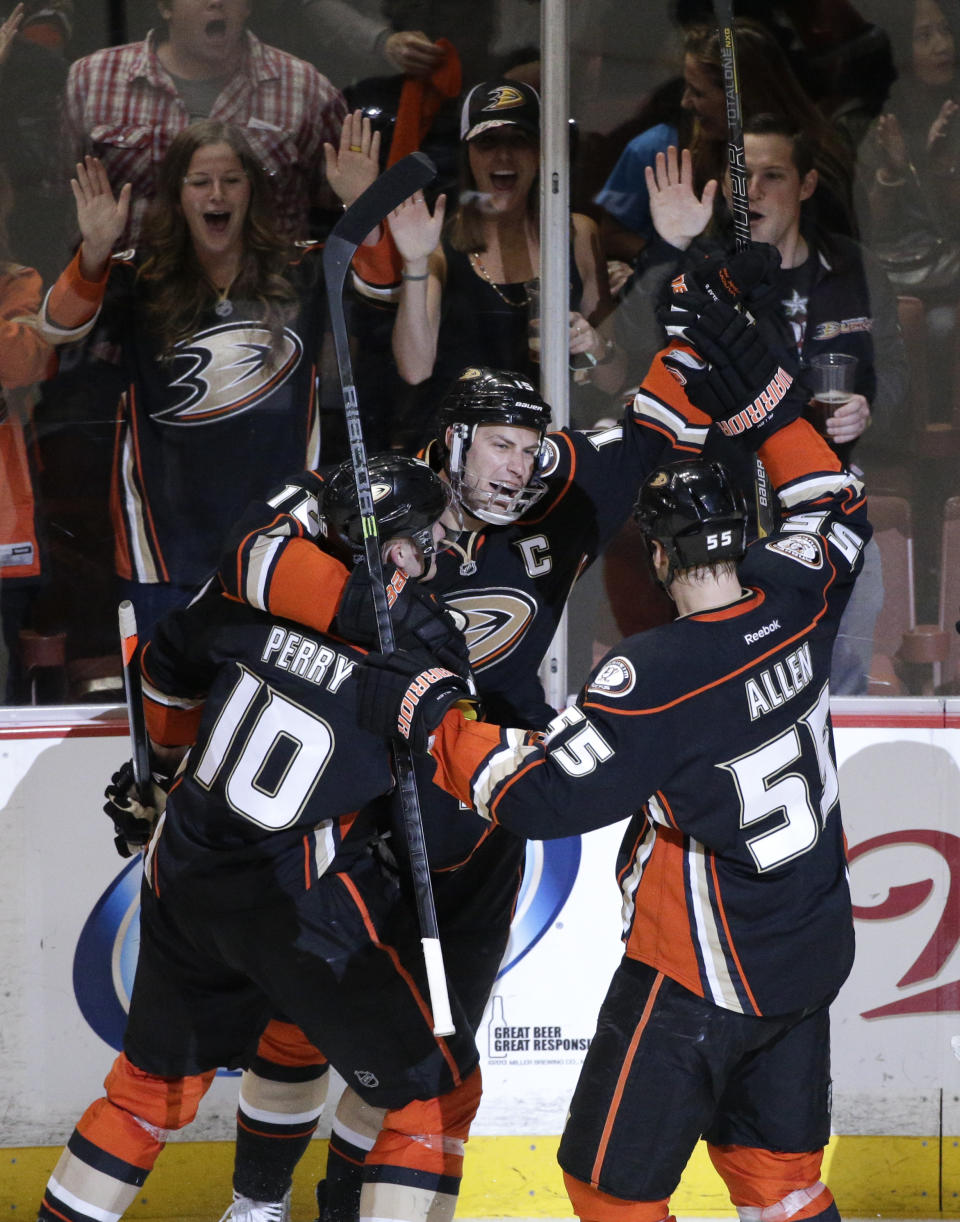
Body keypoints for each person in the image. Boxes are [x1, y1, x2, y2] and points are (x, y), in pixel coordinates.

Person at [354, 305, 870, 1222]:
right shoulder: (802, 594)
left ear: (660, 553)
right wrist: (770, 396)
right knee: (781, 1186)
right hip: (811, 950)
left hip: (702, 974)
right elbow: (833, 499)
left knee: (608, 1189)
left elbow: (536, 796)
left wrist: (433, 708)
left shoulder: (658, 673)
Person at [215, 348, 721, 1220]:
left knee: (428, 1044)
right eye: (499, 447)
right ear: (451, 443)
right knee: (304, 1020)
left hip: (483, 827)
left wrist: (693, 279)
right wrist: (352, 596)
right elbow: (248, 553)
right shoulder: (376, 500)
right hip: (365, 808)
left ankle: (343, 1198)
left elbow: (660, 423)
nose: (519, 469)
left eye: (530, 448)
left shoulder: (559, 495)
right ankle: (256, 1204)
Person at [38, 453, 482, 1222]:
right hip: (294, 905)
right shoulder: (419, 647)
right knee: (435, 1095)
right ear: (395, 552)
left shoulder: (247, 603)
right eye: (423, 538)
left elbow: (167, 669)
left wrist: (159, 775)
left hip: (184, 882)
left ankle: (252, 1206)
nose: (437, 551)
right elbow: (447, 795)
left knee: (147, 1095)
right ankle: (259, 1204)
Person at [37, 114, 381, 644]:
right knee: (166, 714)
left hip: (280, 543)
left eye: (231, 180)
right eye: (199, 181)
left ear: (251, 192)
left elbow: (384, 289)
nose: (216, 194)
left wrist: (364, 210)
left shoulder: (302, 270)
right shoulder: (138, 276)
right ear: (178, 197)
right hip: (163, 550)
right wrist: (95, 250)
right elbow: (57, 328)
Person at [371, 78, 625, 435]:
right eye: (487, 142)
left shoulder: (578, 233)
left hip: (548, 441)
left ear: (541, 151)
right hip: (462, 445)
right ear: (468, 154)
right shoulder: (439, 242)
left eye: (518, 141)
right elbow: (414, 369)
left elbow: (613, 381)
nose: (503, 156)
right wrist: (414, 262)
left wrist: (596, 345)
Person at [62, 0, 348, 245]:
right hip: (127, 291)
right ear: (164, 6)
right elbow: (57, 198)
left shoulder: (306, 90)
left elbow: (337, 207)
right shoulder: (93, 79)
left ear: (247, 5)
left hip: (262, 296)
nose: (216, 1)